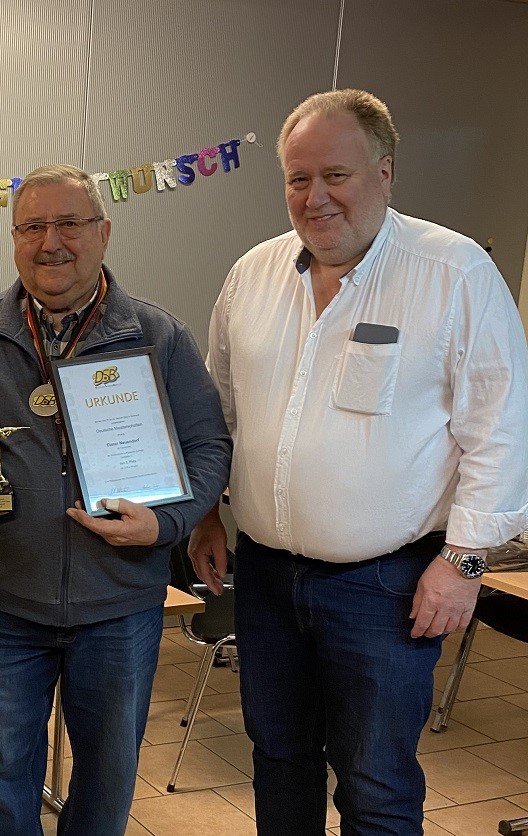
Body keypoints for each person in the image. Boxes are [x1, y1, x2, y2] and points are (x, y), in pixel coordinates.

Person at [189, 89, 528, 835]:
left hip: (388, 584)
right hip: (267, 575)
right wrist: (207, 511)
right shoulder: (254, 273)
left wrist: (465, 562)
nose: (315, 198)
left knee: (375, 782)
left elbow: (501, 428)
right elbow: (219, 409)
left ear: (385, 171)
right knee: (279, 758)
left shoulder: (454, 273)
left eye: (335, 175)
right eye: (297, 179)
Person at [0, 164, 231, 835]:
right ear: (13, 238)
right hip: (5, 603)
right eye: (32, 225)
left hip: (120, 606)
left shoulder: (160, 336)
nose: (50, 241)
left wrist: (167, 523)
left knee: (107, 774)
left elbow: (209, 447)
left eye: (69, 224)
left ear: (103, 233)